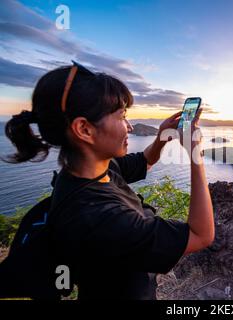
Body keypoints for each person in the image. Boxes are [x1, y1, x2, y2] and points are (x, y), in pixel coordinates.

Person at [2, 61, 214, 299]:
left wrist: (163, 137)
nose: (130, 127)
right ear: (84, 129)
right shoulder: (102, 219)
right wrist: (196, 154)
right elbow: (201, 235)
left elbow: (145, 161)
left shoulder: (90, 170)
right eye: (122, 116)